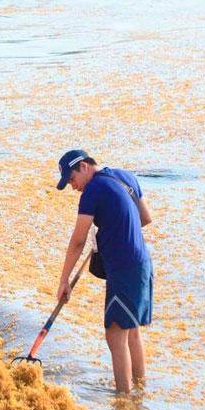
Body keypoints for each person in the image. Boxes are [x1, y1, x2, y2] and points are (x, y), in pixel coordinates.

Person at [55, 149, 153, 393]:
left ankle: (123, 400)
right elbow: (145, 217)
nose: (72, 186)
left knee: (114, 335)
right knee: (131, 333)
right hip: (142, 264)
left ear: (85, 166)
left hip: (123, 269)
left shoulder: (92, 191)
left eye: (71, 179)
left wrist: (64, 279)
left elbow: (78, 240)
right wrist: (113, 227)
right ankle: (139, 394)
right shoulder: (126, 177)